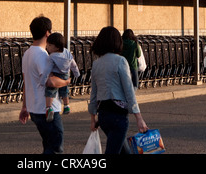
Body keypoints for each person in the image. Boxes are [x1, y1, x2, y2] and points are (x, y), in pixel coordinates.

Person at [88, 26, 148, 154]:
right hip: (118, 115)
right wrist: (139, 117)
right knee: (114, 150)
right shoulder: (120, 61)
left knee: (123, 150)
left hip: (103, 115)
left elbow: (93, 93)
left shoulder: (96, 64)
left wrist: (93, 119)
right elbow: (129, 91)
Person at [19, 15, 70, 154]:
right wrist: (66, 81)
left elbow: (26, 82)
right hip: (47, 110)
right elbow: (50, 81)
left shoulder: (27, 54)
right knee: (55, 148)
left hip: (34, 108)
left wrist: (25, 106)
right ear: (48, 33)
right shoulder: (43, 56)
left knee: (48, 146)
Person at [44, 32, 80, 121]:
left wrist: (46, 76)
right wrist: (77, 73)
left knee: (51, 91)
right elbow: (73, 64)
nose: (47, 47)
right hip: (66, 75)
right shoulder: (67, 52)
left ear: (55, 47)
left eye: (49, 45)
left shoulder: (52, 56)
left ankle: (49, 108)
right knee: (64, 91)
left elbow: (48, 68)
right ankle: (67, 106)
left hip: (56, 75)